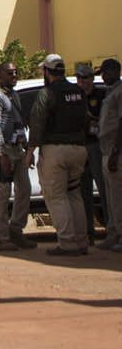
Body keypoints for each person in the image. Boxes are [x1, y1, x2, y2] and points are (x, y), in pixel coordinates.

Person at [26, 54, 90, 255]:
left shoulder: (47, 93)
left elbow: (36, 122)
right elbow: (87, 120)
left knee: (56, 197)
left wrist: (30, 151)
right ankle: (82, 241)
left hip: (55, 151)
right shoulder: (79, 92)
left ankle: (68, 243)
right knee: (74, 195)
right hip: (79, 150)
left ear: (47, 71)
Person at [0, 60, 34, 250]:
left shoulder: (14, 95)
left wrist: (26, 145)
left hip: (18, 149)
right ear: (1, 74)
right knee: (3, 193)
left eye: (16, 72)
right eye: (10, 73)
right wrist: (1, 153)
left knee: (24, 189)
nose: (14, 76)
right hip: (4, 150)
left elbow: (17, 122)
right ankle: (0, 237)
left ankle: (16, 229)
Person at [76, 61, 108, 240]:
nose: (83, 81)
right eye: (80, 77)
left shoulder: (101, 94)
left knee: (104, 189)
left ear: (92, 79)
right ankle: (88, 232)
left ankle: (112, 228)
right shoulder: (75, 97)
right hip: (81, 146)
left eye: (86, 77)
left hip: (97, 145)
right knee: (83, 191)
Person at [98, 58, 122, 252]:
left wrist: (115, 151)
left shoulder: (120, 92)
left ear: (115, 71)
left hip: (116, 152)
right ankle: (113, 233)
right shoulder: (110, 92)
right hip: (106, 150)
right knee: (110, 196)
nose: (102, 76)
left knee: (118, 196)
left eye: (105, 72)